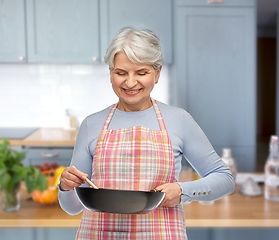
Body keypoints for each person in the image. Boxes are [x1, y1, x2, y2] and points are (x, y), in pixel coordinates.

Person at [58, 27, 235, 239]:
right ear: (111, 73)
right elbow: (72, 207)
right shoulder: (91, 125)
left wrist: (182, 191)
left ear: (157, 73)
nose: (130, 82)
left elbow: (225, 180)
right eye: (121, 73)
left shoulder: (179, 120)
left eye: (141, 73)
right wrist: (65, 186)